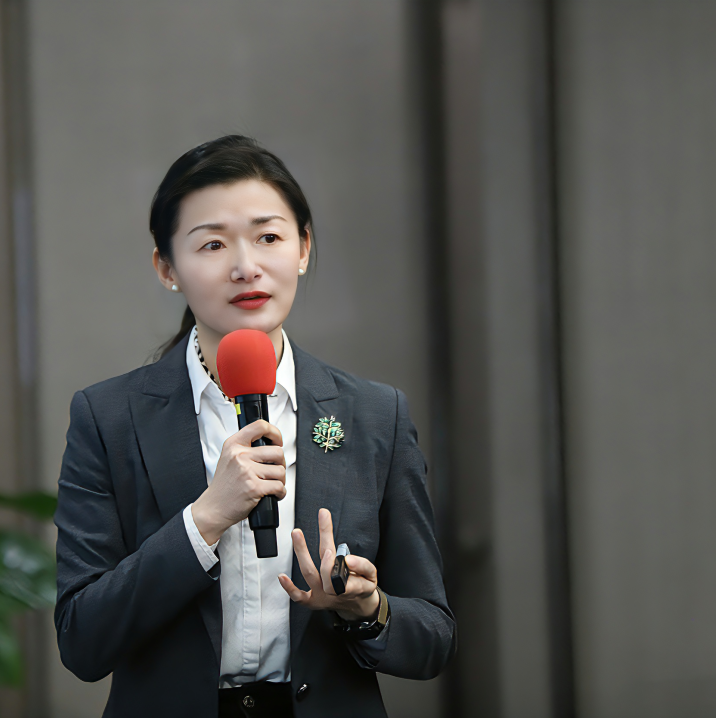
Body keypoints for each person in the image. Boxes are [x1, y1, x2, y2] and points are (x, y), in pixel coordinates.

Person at [53, 135, 456, 718]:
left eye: (268, 237)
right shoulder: (108, 417)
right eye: (213, 244)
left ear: (303, 248)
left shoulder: (375, 415)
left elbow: (433, 640)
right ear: (167, 268)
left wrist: (366, 609)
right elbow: (82, 640)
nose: (246, 267)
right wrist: (203, 520)